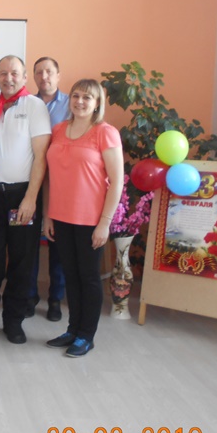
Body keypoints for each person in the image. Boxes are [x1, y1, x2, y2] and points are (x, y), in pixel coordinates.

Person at [43, 79, 123, 357]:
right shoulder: (58, 129)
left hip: (91, 220)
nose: (79, 101)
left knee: (88, 278)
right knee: (71, 276)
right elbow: (50, 177)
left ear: (97, 103)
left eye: (87, 97)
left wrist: (105, 223)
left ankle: (86, 336)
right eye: (76, 96)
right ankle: (73, 330)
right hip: (61, 217)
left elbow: (117, 181)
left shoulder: (105, 133)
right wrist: (48, 216)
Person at [0, 55, 51, 344]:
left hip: (22, 196)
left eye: (14, 73)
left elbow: (41, 156)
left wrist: (30, 198)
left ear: (24, 77)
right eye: (3, 73)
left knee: (21, 260)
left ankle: (14, 320)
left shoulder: (34, 106)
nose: (8, 78)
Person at [28, 56, 70, 321]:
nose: (44, 77)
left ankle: (55, 298)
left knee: (58, 243)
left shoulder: (72, 105)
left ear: (58, 75)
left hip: (60, 184)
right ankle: (29, 295)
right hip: (30, 182)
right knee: (27, 240)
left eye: (49, 72)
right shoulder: (26, 103)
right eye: (39, 72)